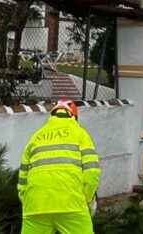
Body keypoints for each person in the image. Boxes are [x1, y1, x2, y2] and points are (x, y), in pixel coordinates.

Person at [18, 100, 101, 234]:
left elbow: (23, 177)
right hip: (72, 204)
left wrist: (27, 200)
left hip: (36, 206)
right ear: (73, 116)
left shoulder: (36, 137)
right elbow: (92, 172)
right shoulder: (80, 134)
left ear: (52, 115)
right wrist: (87, 199)